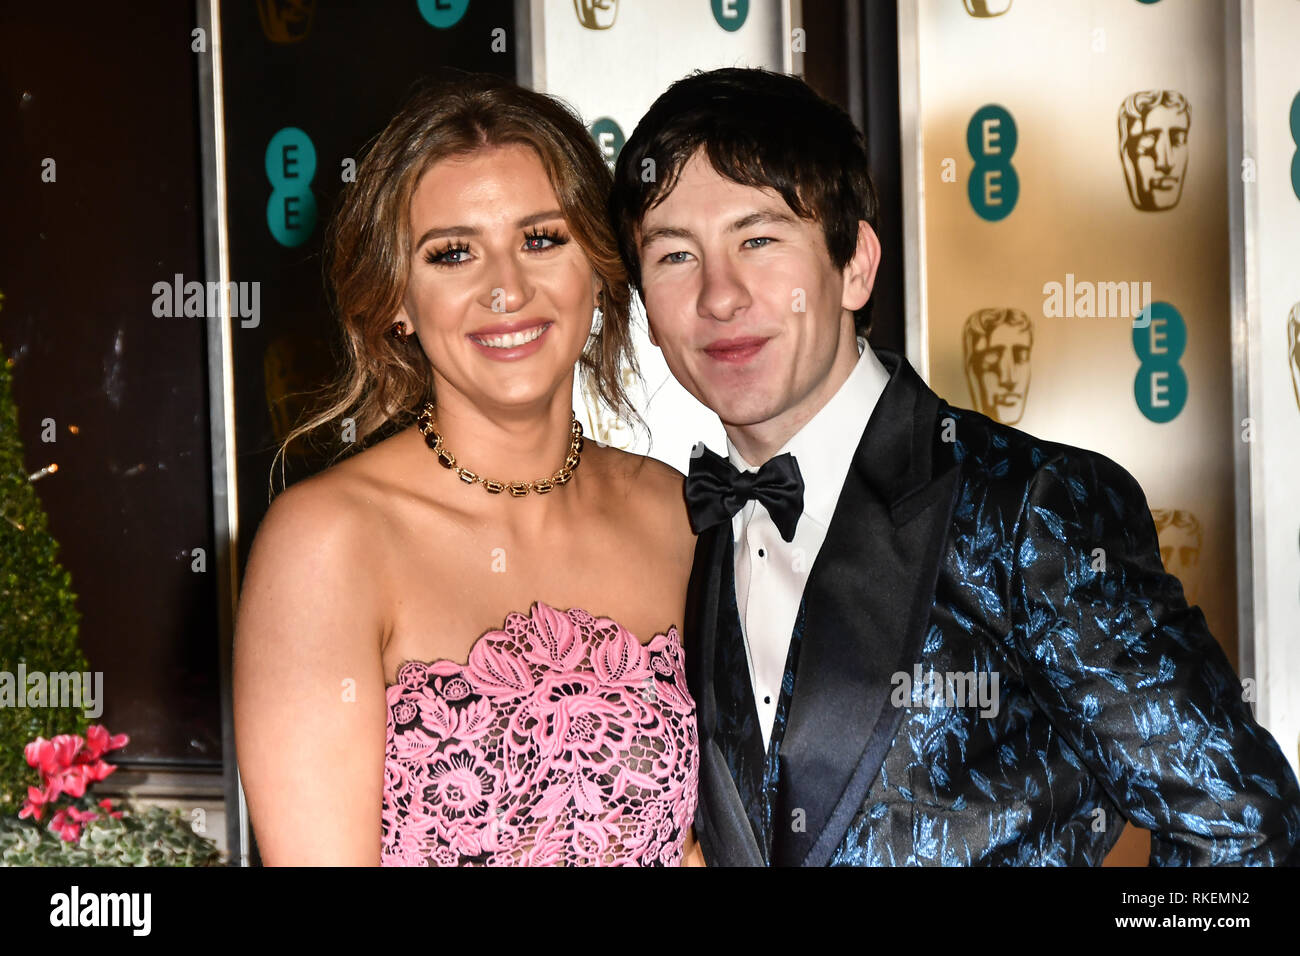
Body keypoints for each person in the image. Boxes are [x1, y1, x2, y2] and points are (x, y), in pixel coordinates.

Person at [608, 66, 1300, 866]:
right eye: (673, 257)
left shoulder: (1033, 505)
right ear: (648, 313)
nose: (719, 296)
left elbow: (1245, 831)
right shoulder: (680, 531)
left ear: (856, 265)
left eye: (759, 239)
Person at [234, 72, 702, 866]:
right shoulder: (328, 542)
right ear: (397, 301)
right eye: (453, 253)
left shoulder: (674, 513)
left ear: (598, 267)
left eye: (542, 239)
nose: (506, 288)